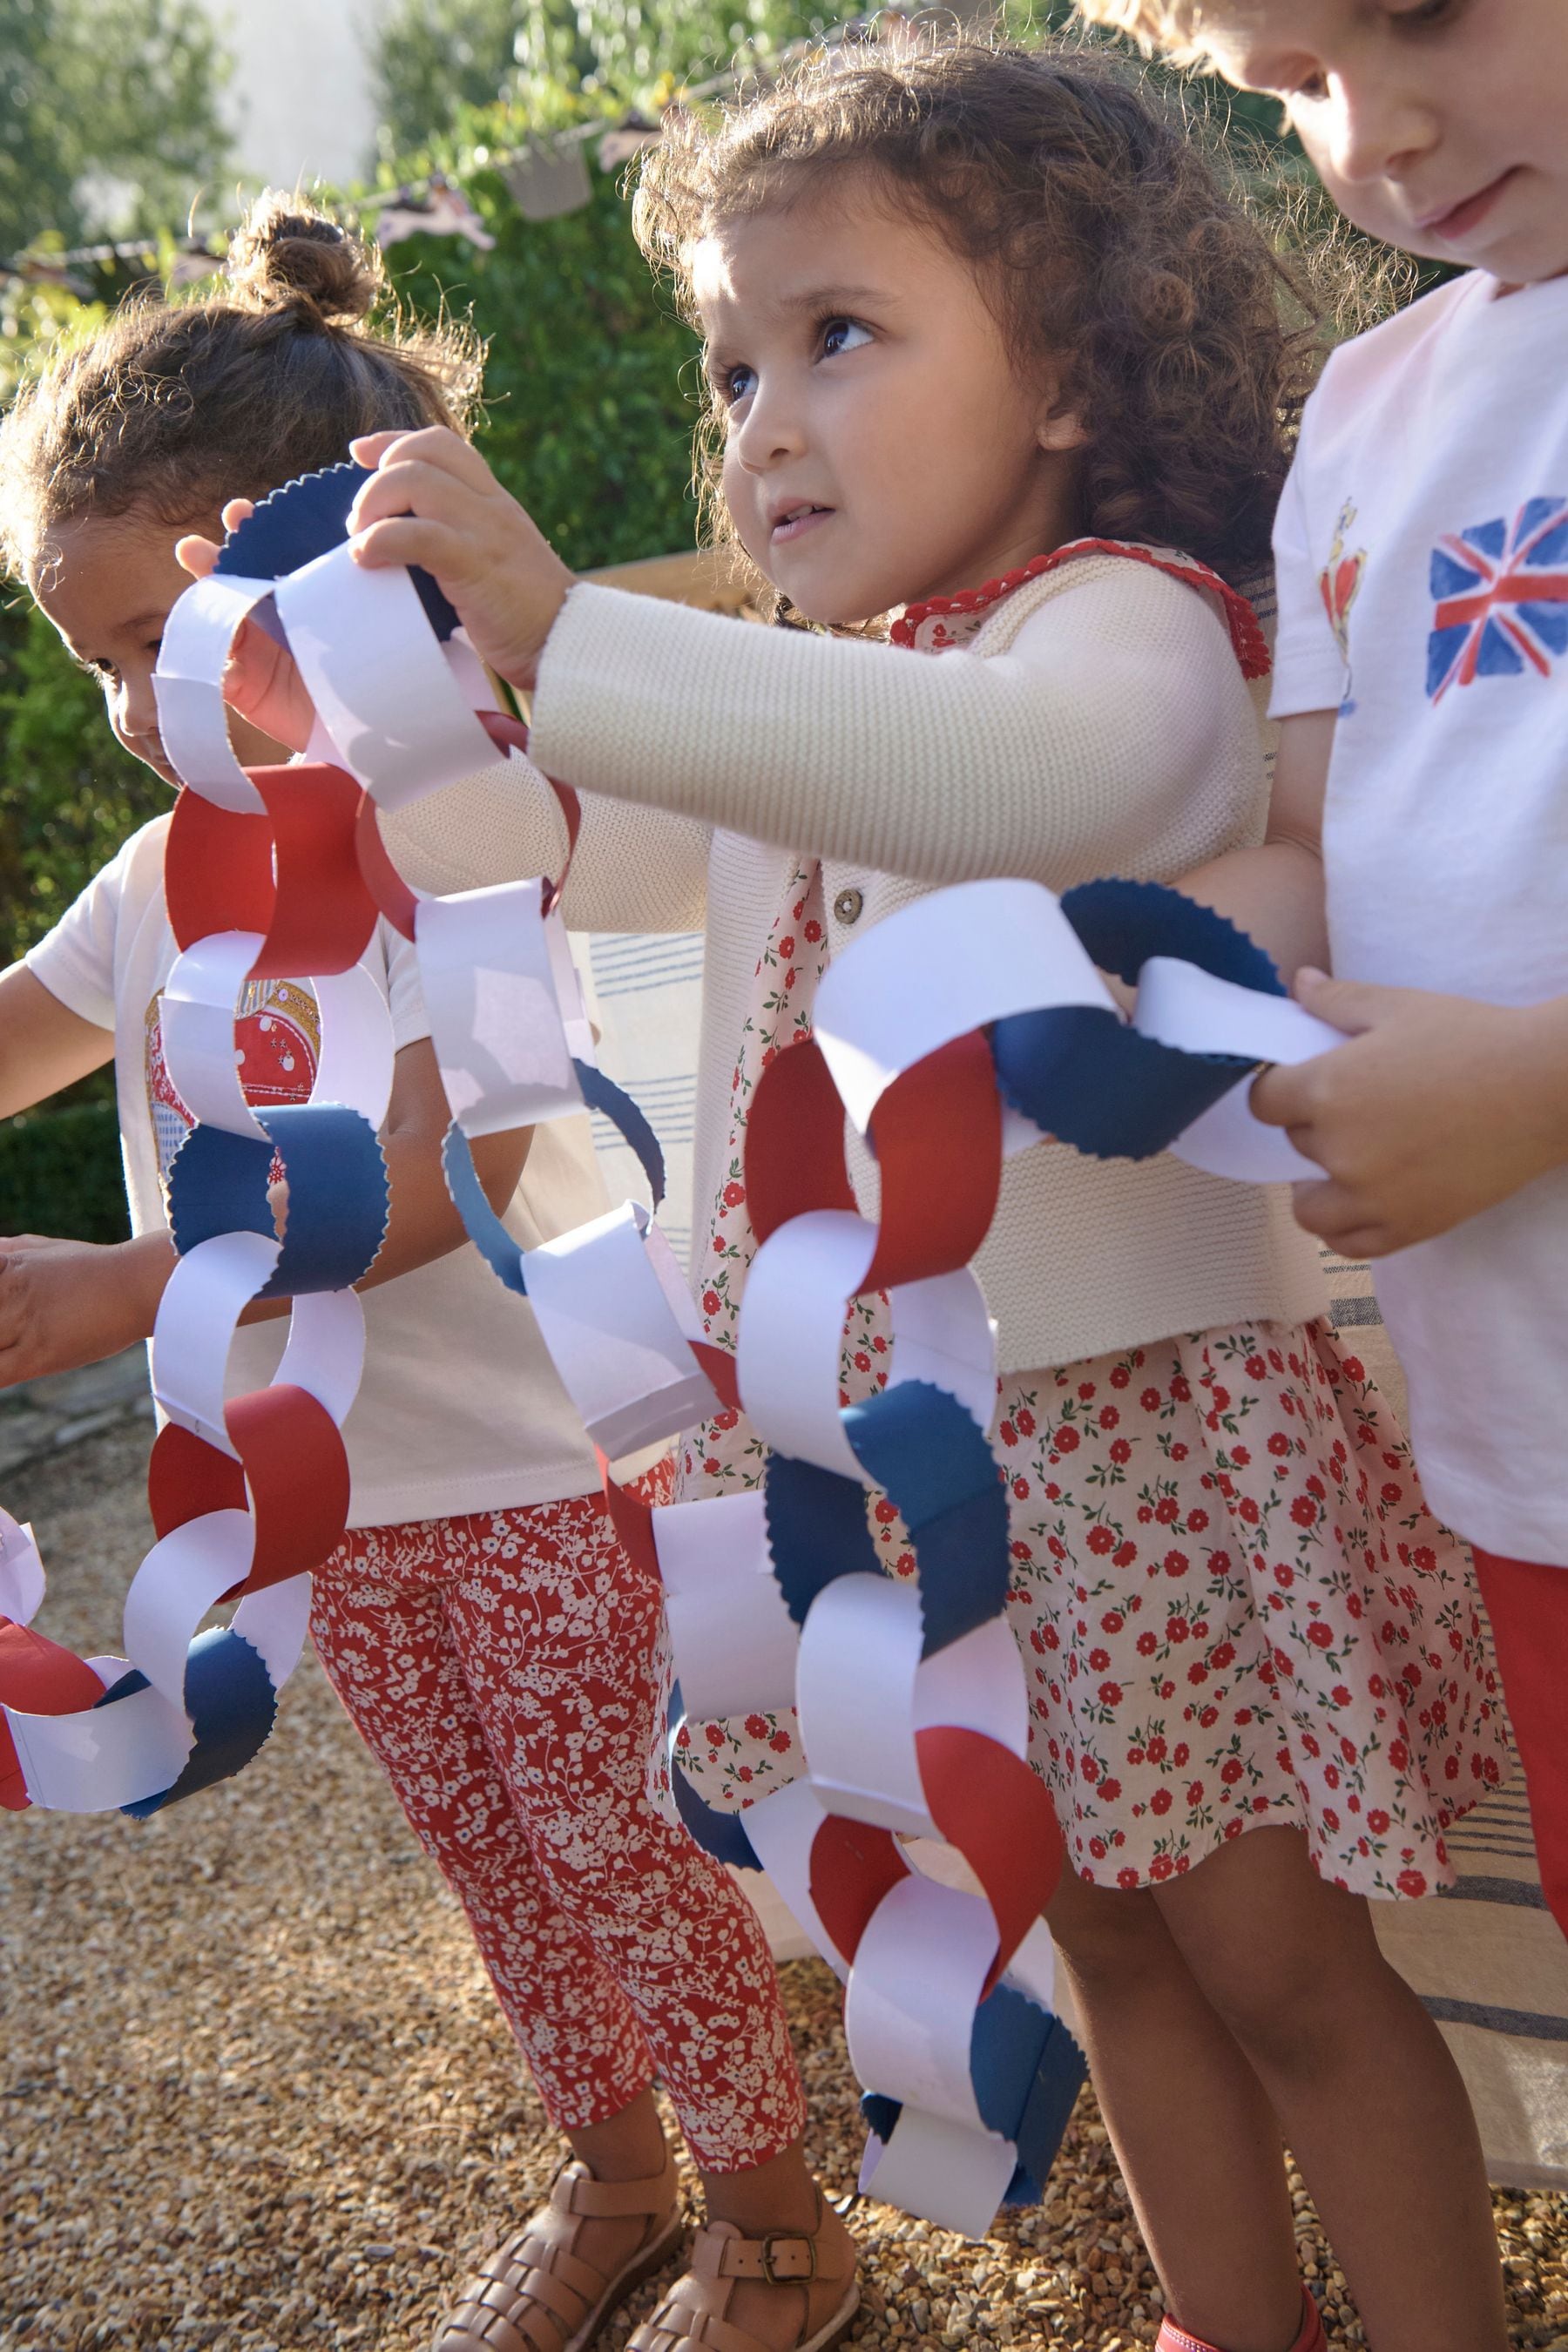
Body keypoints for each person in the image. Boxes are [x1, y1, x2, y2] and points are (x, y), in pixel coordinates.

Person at [277, 38, 1517, 2352]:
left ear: (1069, 371)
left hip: (1134, 1440)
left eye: (839, 336)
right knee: (1110, 1939)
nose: (760, 419)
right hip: (913, 1452)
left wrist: (584, 633)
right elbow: (571, 873)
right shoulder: (818, 687)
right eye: (732, 360)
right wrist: (444, 716)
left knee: (1285, 1967)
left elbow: (1030, 784)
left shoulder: (1125, 625)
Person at [0, 193, 859, 2352]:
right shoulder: (163, 877)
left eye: (139, 649)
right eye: (87, 666)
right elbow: (27, 1019)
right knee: (496, 1869)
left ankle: (784, 2227)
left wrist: (116, 1292)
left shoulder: (467, 835)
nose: (123, 711)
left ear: (290, 579)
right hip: (346, 1497)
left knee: (629, 1862)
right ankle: (616, 2177)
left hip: (553, 1479)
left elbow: (419, 1181)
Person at [1075, 0, 1568, 1983]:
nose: (1378, 129)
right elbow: (1315, 838)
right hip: (1524, 1431)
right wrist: (1135, 961)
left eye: (1421, 11)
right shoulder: (1367, 411)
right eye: (1294, 84)